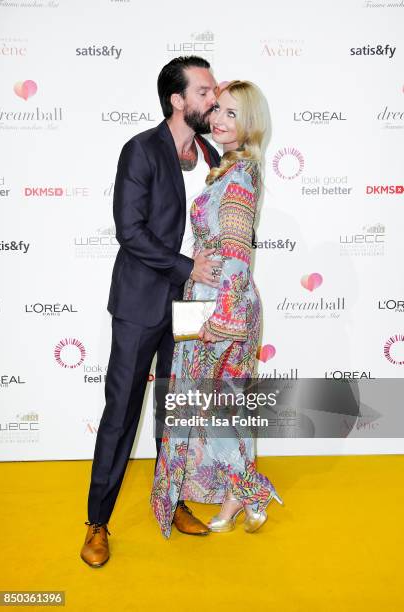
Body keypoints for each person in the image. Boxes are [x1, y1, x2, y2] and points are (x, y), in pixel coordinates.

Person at [81, 56, 224, 568]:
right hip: (143, 302)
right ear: (178, 100)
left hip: (190, 307)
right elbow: (130, 231)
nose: (215, 97)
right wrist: (190, 267)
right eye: (205, 90)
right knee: (121, 413)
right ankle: (98, 521)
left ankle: (172, 499)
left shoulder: (212, 155)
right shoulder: (140, 150)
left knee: (176, 409)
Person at [151, 80, 284, 539]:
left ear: (249, 124)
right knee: (222, 406)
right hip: (209, 302)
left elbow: (236, 255)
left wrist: (222, 320)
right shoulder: (227, 169)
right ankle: (240, 495)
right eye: (219, 111)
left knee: (209, 406)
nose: (221, 120)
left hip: (223, 306)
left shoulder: (242, 175)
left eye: (232, 113)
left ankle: (250, 488)